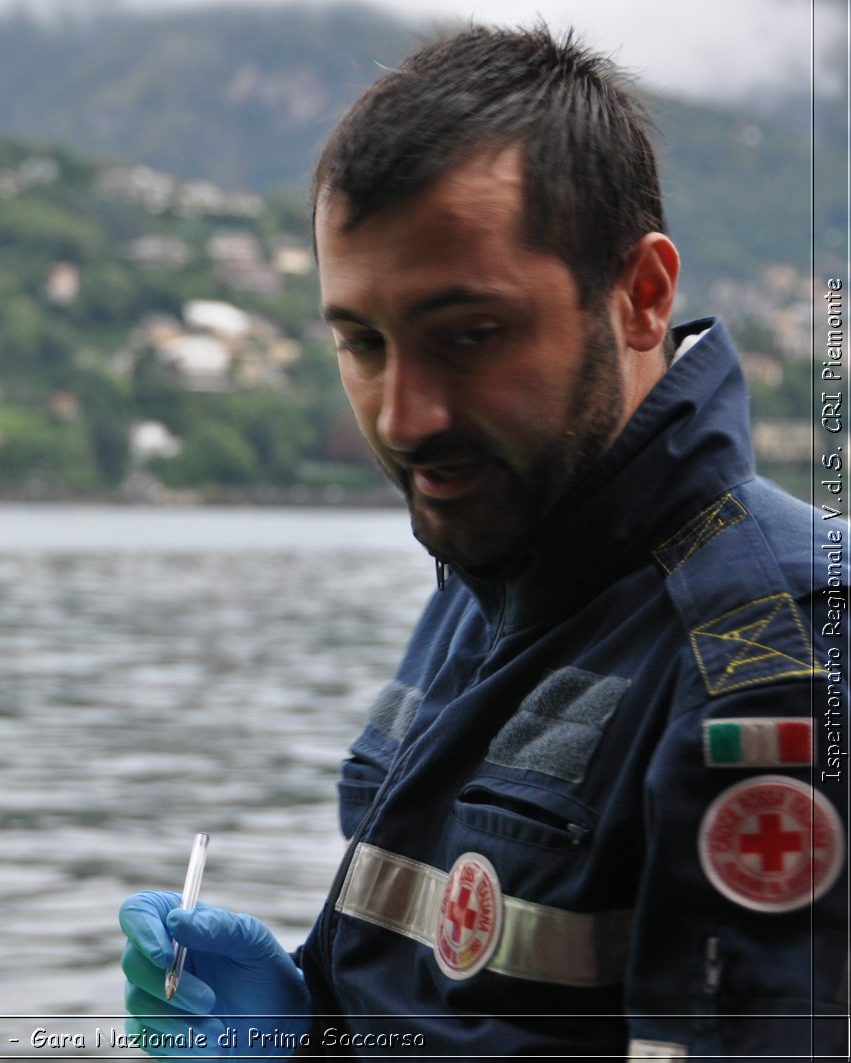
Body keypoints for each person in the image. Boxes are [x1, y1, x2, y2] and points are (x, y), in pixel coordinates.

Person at [119, 25, 847, 1059]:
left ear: (640, 297)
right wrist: (313, 1030)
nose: (406, 416)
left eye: (469, 335)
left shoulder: (782, 669)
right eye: (363, 344)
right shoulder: (494, 562)